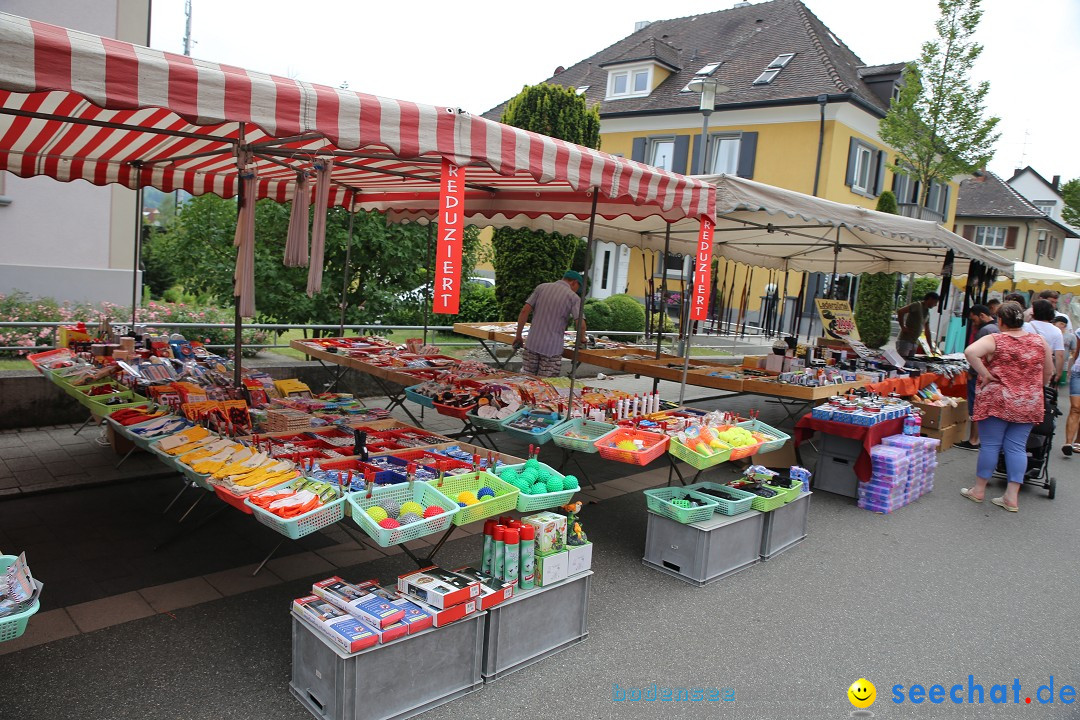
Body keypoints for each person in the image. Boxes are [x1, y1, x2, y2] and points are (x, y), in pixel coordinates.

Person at [961, 301, 1054, 512]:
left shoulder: (995, 339)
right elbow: (1047, 372)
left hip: (998, 399)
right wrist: (1032, 388)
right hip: (1028, 402)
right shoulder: (1040, 341)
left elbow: (970, 352)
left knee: (991, 445)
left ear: (1001, 320)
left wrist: (985, 373)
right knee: (1017, 447)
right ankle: (1011, 497)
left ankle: (979, 490)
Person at [513, 270, 587, 377]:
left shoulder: (541, 288)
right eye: (577, 288)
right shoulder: (573, 297)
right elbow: (581, 324)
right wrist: (582, 338)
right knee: (546, 386)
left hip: (532, 344)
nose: (576, 291)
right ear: (574, 282)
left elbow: (524, 311)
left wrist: (518, 335)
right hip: (552, 349)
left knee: (527, 381)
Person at [955, 304, 999, 451]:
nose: (973, 324)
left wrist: (972, 372)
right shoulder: (997, 328)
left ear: (982, 315)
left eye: (974, 320)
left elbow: (975, 355)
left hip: (980, 374)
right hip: (991, 374)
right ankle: (978, 438)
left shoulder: (986, 330)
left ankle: (973, 440)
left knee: (976, 406)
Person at [895, 291, 939, 358]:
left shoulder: (927, 314)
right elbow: (900, 311)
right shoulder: (917, 305)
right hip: (905, 340)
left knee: (909, 364)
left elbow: (927, 331)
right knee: (902, 362)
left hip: (914, 342)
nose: (935, 305)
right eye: (935, 302)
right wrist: (902, 326)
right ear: (930, 299)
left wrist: (930, 347)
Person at [1028, 299, 1066, 377]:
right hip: (1045, 367)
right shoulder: (1056, 331)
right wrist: (1059, 374)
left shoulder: (1025, 326)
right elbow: (1059, 355)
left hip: (1027, 366)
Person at [1060, 315, 1080, 456]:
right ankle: (1068, 442)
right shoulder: (1079, 331)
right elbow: (1076, 353)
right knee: (1075, 407)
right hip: (1078, 372)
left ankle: (1078, 441)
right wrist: (1069, 370)